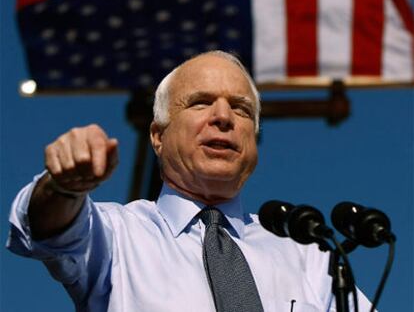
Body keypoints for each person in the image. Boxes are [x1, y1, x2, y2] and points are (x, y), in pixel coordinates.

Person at [8, 51, 373, 311]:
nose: (223, 117)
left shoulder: (308, 254)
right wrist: (63, 186)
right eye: (200, 102)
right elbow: (49, 227)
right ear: (158, 135)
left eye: (241, 108)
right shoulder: (117, 236)